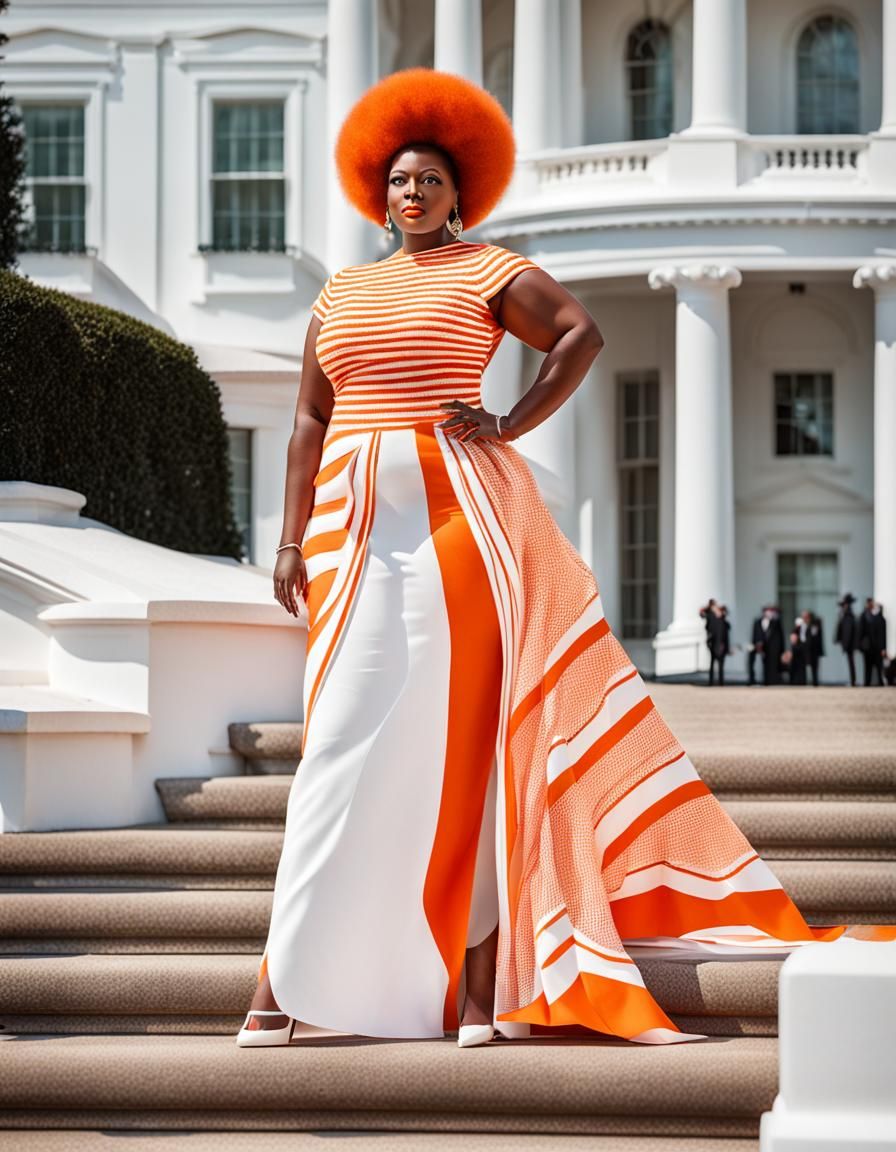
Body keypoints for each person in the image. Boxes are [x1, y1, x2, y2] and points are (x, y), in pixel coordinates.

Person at [236, 67, 892, 1052]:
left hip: (461, 521)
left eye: (431, 183)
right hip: (353, 530)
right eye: (400, 183)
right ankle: (286, 979)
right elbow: (304, 422)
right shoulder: (340, 290)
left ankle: (468, 988)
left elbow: (579, 336)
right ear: (379, 196)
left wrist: (505, 419)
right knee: (336, 749)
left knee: (461, 757)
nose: (413, 195)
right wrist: (287, 542)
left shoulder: (489, 271)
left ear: (459, 196)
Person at [856, 597, 888, 686]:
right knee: (868, 666)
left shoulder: (879, 618)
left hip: (876, 646)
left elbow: (883, 635)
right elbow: (860, 632)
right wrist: (859, 645)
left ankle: (880, 682)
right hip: (867, 646)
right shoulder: (864, 616)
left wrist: (883, 648)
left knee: (878, 666)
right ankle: (867, 683)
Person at [835, 592, 858, 686]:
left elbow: (848, 632)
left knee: (851, 662)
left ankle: (853, 681)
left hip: (850, 644)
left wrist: (846, 644)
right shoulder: (846, 614)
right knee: (851, 662)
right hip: (849, 643)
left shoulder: (848, 615)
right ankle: (853, 680)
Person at [706, 602, 731, 686]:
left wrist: (725, 647)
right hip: (713, 645)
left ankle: (721, 683)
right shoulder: (712, 619)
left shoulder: (724, 622)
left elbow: (726, 636)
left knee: (721, 665)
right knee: (712, 664)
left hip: (721, 646)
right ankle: (711, 682)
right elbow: (704, 615)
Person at [804, 610, 825, 686]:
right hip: (810, 650)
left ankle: (815, 682)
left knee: (814, 667)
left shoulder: (813, 626)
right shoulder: (808, 625)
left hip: (813, 650)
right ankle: (813, 682)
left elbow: (813, 638)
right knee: (812, 667)